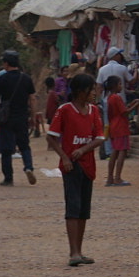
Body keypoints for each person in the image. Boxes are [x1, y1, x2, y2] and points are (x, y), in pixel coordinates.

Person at [46, 72, 103, 265]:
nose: (94, 93)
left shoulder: (94, 111)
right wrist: (65, 157)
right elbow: (51, 137)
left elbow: (99, 137)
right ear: (81, 91)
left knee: (83, 210)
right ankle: (73, 252)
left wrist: (84, 149)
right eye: (91, 89)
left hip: (88, 165)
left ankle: (79, 250)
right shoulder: (64, 111)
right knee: (73, 208)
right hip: (71, 166)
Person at [0, 50, 38, 186]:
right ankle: (28, 167)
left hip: (6, 118)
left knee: (6, 149)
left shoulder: (2, 79)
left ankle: (8, 178)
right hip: (22, 117)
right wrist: (33, 116)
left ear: (6, 63)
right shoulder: (26, 79)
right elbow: (32, 99)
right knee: (24, 145)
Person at [102, 75, 130, 186]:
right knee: (122, 151)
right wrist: (137, 104)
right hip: (121, 128)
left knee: (115, 151)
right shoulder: (116, 98)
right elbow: (124, 112)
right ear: (114, 86)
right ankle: (117, 177)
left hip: (114, 127)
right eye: (119, 84)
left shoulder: (109, 98)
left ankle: (110, 177)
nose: (121, 86)